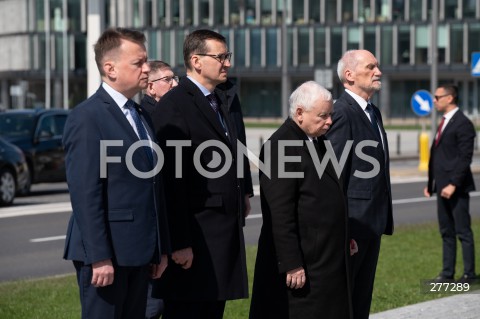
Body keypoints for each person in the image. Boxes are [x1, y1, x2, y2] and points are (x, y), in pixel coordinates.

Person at [62, 28, 170, 319]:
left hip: (140, 253)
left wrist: (160, 248)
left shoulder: (142, 116)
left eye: (146, 61)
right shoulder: (87, 117)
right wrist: (99, 257)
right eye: (139, 62)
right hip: (106, 258)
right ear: (110, 69)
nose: (147, 68)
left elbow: (152, 187)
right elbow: (86, 194)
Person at [151, 29, 251, 319]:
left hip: (220, 235)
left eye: (227, 56)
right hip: (194, 237)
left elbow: (236, 146)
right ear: (196, 61)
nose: (227, 63)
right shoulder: (174, 105)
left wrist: (243, 189)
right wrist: (180, 242)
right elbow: (170, 181)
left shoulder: (223, 98)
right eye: (220, 57)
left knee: (212, 310)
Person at [249, 81, 352, 319]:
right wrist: (291, 262)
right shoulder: (282, 146)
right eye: (323, 116)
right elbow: (280, 213)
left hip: (323, 257)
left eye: (331, 115)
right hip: (304, 262)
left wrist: (345, 234)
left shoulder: (317, 139)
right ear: (299, 113)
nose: (329, 122)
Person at [325, 49, 393, 319]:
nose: (379, 72)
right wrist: (344, 228)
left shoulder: (373, 111)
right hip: (353, 225)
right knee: (346, 301)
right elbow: (333, 176)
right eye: (371, 66)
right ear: (349, 75)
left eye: (378, 66)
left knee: (362, 297)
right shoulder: (341, 112)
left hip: (372, 222)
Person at [424, 84, 476, 282]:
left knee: (463, 231)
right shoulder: (444, 121)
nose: (434, 101)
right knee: (446, 231)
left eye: (437, 97)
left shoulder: (463, 123)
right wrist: (431, 185)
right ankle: (447, 274)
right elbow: (439, 156)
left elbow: (465, 158)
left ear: (450, 98)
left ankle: (469, 275)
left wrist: (453, 184)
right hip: (442, 187)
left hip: (456, 187)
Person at [140, 59, 178, 319]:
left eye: (175, 78)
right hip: (150, 230)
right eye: (168, 79)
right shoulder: (150, 117)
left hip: (166, 226)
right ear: (151, 88)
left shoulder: (163, 112)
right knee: (152, 307)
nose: (175, 83)